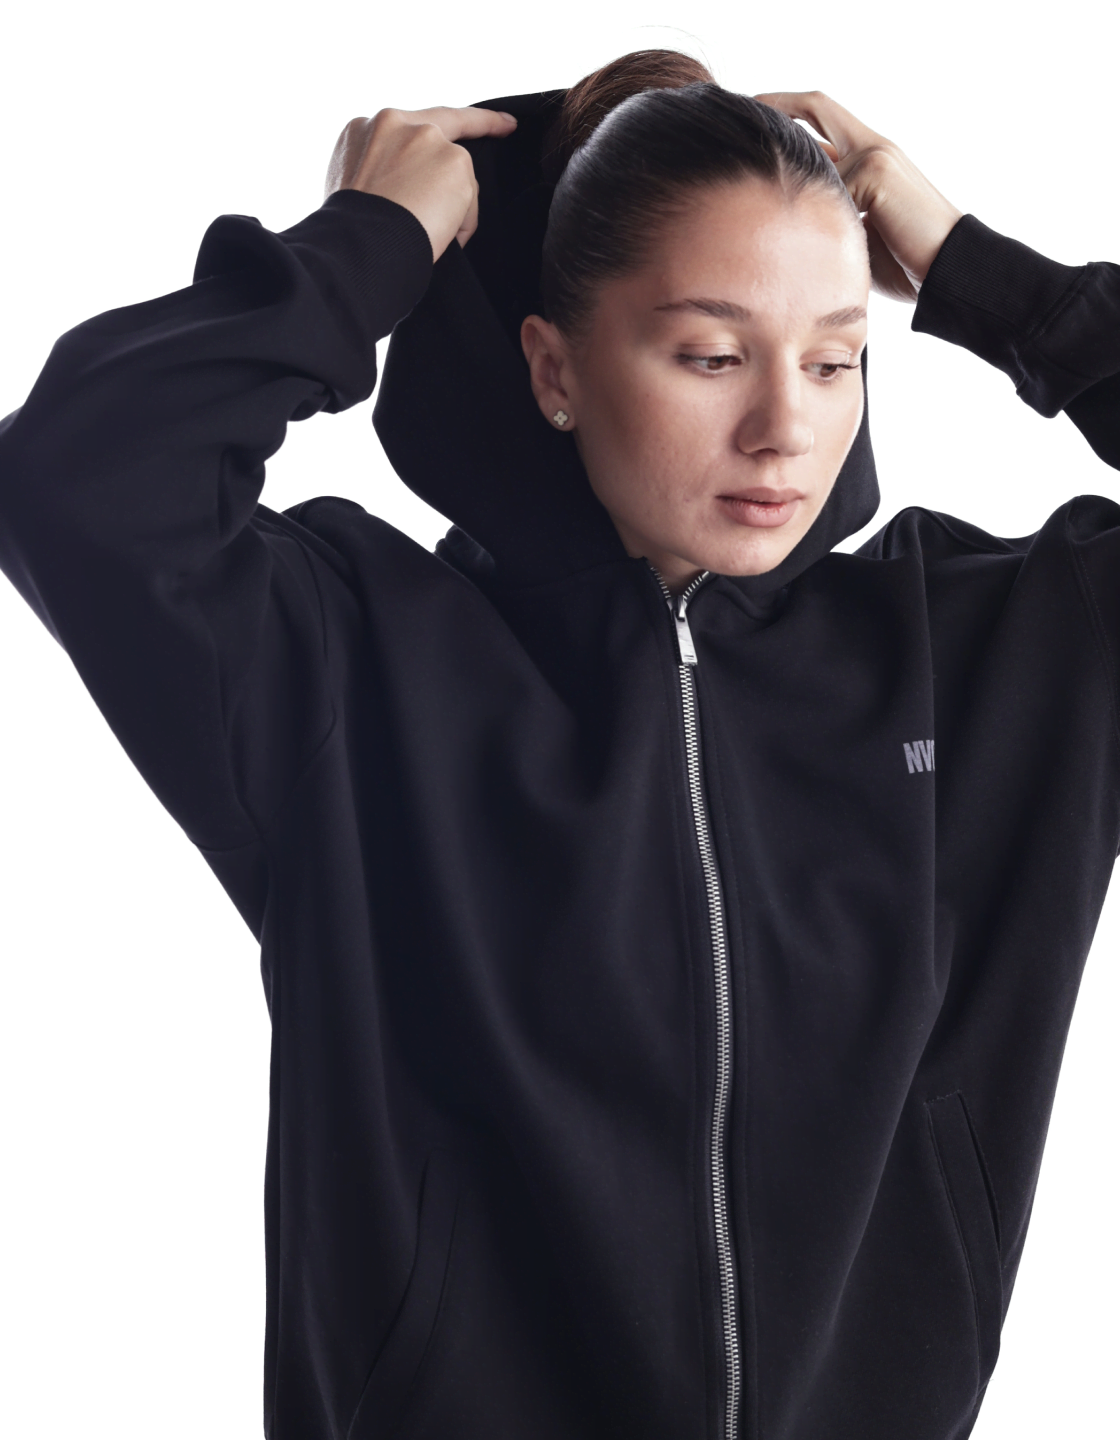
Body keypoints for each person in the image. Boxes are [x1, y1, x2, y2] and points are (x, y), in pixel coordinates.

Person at [1, 45, 1118, 1440]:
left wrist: (985, 277)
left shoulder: (982, 661)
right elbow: (76, 476)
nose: (786, 426)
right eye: (712, 355)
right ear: (553, 369)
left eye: (834, 359)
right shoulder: (352, 661)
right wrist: (363, 250)